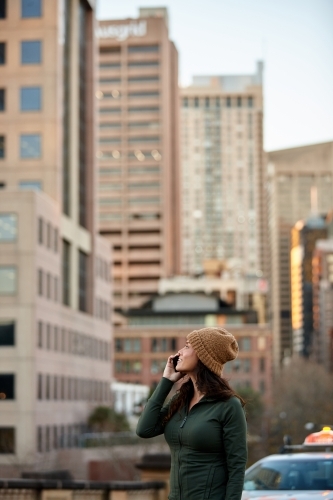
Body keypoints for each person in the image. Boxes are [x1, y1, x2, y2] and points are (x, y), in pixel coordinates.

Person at [136, 327, 247, 500]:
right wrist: (166, 382)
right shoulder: (180, 400)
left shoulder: (229, 406)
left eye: (187, 346)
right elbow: (145, 429)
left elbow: (237, 467)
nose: (179, 352)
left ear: (203, 356)